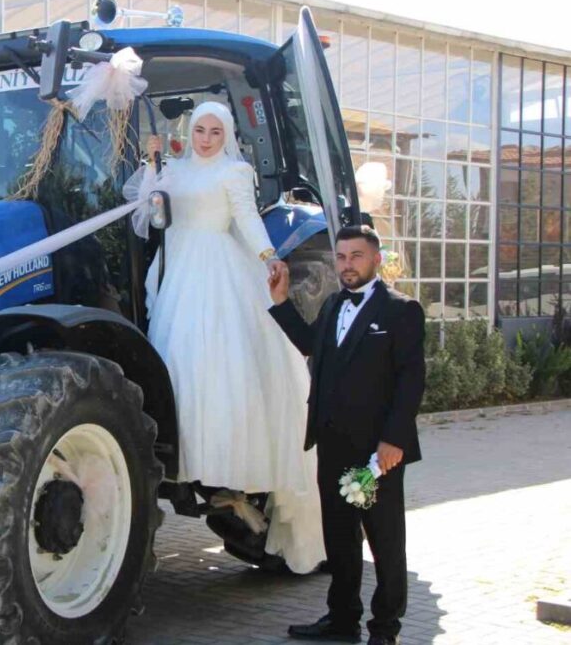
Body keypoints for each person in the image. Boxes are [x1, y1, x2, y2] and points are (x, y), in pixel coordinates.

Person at [125, 101, 325, 574]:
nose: (207, 138)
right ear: (189, 131)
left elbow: (247, 217)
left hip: (215, 269)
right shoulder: (173, 168)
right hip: (178, 271)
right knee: (179, 364)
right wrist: (148, 164)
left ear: (227, 134)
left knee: (218, 362)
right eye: (201, 129)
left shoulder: (235, 172)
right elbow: (145, 210)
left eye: (216, 131)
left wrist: (268, 255)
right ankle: (182, 451)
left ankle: (226, 466)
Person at [267, 225, 426, 645]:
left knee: (385, 541)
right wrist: (281, 300)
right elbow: (309, 344)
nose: (347, 265)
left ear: (376, 259)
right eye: (340, 257)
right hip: (332, 443)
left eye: (356, 256)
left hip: (377, 451)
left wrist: (394, 441)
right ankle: (342, 620)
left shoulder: (401, 310)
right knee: (340, 539)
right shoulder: (334, 304)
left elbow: (411, 381)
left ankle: (385, 630)